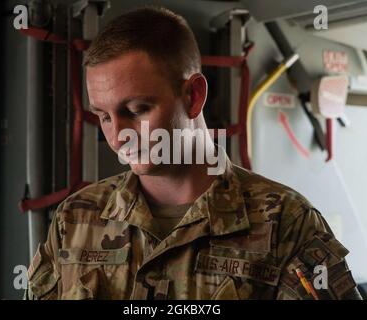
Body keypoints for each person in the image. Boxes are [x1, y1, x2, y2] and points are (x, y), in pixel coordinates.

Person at [25, 6, 362, 300]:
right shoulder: (76, 219)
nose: (117, 138)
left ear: (193, 95)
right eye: (103, 116)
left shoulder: (286, 224)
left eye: (138, 109)